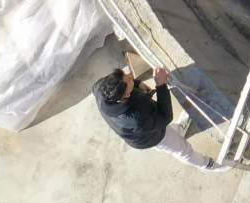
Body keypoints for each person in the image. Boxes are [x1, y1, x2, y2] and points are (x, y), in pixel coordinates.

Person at [91, 61, 220, 170]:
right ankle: (207, 165)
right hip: (151, 137)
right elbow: (165, 116)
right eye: (130, 80)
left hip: (147, 123)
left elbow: (119, 84)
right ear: (126, 95)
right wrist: (160, 85)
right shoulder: (136, 119)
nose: (131, 75)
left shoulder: (101, 88)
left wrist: (138, 84)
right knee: (183, 150)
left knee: (173, 131)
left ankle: (180, 129)